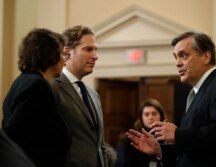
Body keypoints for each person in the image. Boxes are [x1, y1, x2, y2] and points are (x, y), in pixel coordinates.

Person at [126, 31, 216, 167]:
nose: (177, 63)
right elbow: (194, 150)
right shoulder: (197, 92)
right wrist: (159, 150)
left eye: (183, 55)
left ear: (206, 56)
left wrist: (178, 134)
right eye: (176, 57)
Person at [2, 28, 71, 167]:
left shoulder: (22, 81)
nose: (64, 61)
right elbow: (12, 137)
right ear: (50, 55)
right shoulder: (37, 86)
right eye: (63, 55)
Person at [50, 25, 108, 167]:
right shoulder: (51, 88)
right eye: (88, 49)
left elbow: (100, 145)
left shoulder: (94, 95)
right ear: (67, 52)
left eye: (95, 49)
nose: (95, 56)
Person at [115, 98, 175, 167]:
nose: (151, 117)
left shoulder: (168, 138)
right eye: (146, 114)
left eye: (154, 113)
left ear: (161, 116)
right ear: (141, 118)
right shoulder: (132, 139)